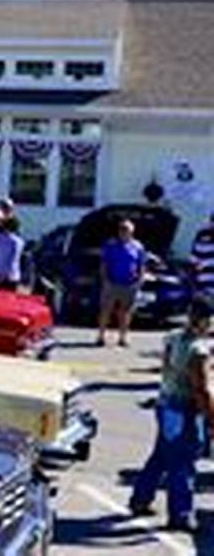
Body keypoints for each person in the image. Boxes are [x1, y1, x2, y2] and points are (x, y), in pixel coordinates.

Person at [128, 299, 214, 532]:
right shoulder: (199, 351)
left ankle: (140, 499)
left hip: (166, 402)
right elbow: (201, 388)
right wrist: (210, 418)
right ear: (205, 320)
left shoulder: (173, 338)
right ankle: (181, 514)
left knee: (162, 455)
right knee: (184, 463)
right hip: (185, 409)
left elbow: (166, 368)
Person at [99, 218, 147, 347]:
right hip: (112, 283)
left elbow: (141, 265)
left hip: (130, 284)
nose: (124, 232)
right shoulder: (110, 245)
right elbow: (104, 264)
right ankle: (101, 336)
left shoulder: (138, 246)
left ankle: (123, 338)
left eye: (127, 230)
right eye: (122, 229)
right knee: (106, 310)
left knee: (125, 312)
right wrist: (105, 280)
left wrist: (140, 280)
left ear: (132, 232)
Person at [190, 212, 214, 299]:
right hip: (203, 288)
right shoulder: (203, 233)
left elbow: (194, 261)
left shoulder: (202, 232)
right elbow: (194, 261)